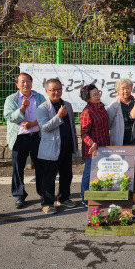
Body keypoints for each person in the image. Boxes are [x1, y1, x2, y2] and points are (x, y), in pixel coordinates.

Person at [3, 73, 46, 209]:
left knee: (41, 167)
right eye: (22, 82)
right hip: (19, 138)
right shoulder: (11, 99)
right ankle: (19, 195)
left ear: (32, 83)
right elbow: (9, 116)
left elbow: (46, 115)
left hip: (36, 137)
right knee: (17, 168)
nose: (25, 84)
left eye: (28, 81)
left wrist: (33, 124)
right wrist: (22, 108)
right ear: (17, 84)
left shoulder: (39, 97)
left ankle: (43, 193)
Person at [36, 78, 78, 214]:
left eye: (59, 89)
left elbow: (72, 126)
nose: (56, 92)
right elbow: (44, 127)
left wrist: (74, 144)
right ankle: (47, 203)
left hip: (66, 146)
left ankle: (63, 198)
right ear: (46, 91)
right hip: (52, 148)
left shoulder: (68, 105)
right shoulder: (42, 108)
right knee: (49, 177)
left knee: (67, 175)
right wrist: (58, 117)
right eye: (53, 90)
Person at [80, 84, 110, 207]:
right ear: (88, 99)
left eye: (98, 93)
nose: (98, 96)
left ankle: (99, 194)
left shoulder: (101, 107)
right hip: (92, 149)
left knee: (102, 171)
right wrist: (92, 143)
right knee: (89, 173)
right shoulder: (86, 112)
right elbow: (83, 133)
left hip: (104, 146)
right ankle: (85, 198)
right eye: (94, 95)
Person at [106, 78, 135, 146]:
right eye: (123, 89)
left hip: (133, 138)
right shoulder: (114, 105)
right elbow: (108, 124)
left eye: (128, 88)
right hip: (119, 139)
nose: (125, 91)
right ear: (118, 90)